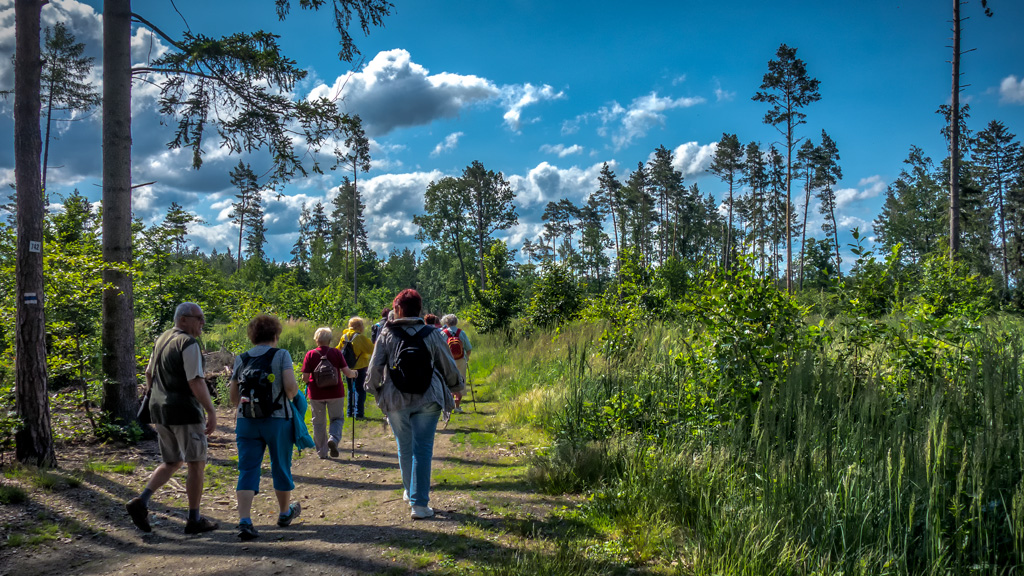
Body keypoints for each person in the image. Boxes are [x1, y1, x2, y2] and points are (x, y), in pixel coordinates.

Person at [366, 289, 464, 519]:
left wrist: (376, 391)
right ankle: (419, 505)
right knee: (423, 449)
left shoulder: (386, 334)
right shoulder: (432, 333)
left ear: (398, 309)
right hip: (429, 397)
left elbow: (373, 371)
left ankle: (411, 492)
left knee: (405, 446)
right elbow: (448, 365)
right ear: (419, 309)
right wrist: (456, 387)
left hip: (395, 398)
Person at [125, 302, 219, 535]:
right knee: (196, 463)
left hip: (159, 410)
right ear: (184, 319)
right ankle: (194, 519)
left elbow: (148, 373)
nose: (202, 323)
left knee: (172, 461)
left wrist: (158, 394)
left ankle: (142, 501)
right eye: (199, 318)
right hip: (184, 411)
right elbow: (195, 380)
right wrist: (211, 411)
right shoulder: (187, 343)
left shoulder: (162, 339)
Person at [228, 314, 302, 541]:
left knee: (248, 469)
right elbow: (290, 388)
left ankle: (245, 521)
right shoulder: (281, 355)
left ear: (253, 335)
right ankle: (283, 513)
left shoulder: (241, 358)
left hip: (246, 421)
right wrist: (296, 399)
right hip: (278, 420)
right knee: (280, 465)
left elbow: (233, 397)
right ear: (275, 334)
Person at [300, 327, 357, 458]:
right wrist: (355, 373)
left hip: (316, 394)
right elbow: (348, 373)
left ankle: (322, 452)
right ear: (330, 340)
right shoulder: (336, 353)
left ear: (316, 340)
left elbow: (304, 378)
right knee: (337, 419)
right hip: (335, 393)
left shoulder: (310, 354)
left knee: (318, 423)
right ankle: (334, 439)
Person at [339, 317, 373, 419]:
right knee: (360, 390)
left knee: (350, 390)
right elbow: (371, 349)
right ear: (359, 326)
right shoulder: (360, 337)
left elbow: (338, 349)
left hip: (347, 367)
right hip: (360, 367)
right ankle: (359, 413)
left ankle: (350, 412)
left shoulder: (344, 336)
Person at [441, 314, 473, 414]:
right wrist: (466, 358)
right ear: (456, 322)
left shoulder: (443, 333)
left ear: (446, 323)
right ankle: (457, 406)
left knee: (448, 382)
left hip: (448, 361)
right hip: (461, 360)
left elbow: (440, 348)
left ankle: (449, 406)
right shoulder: (461, 333)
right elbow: (469, 348)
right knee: (460, 381)